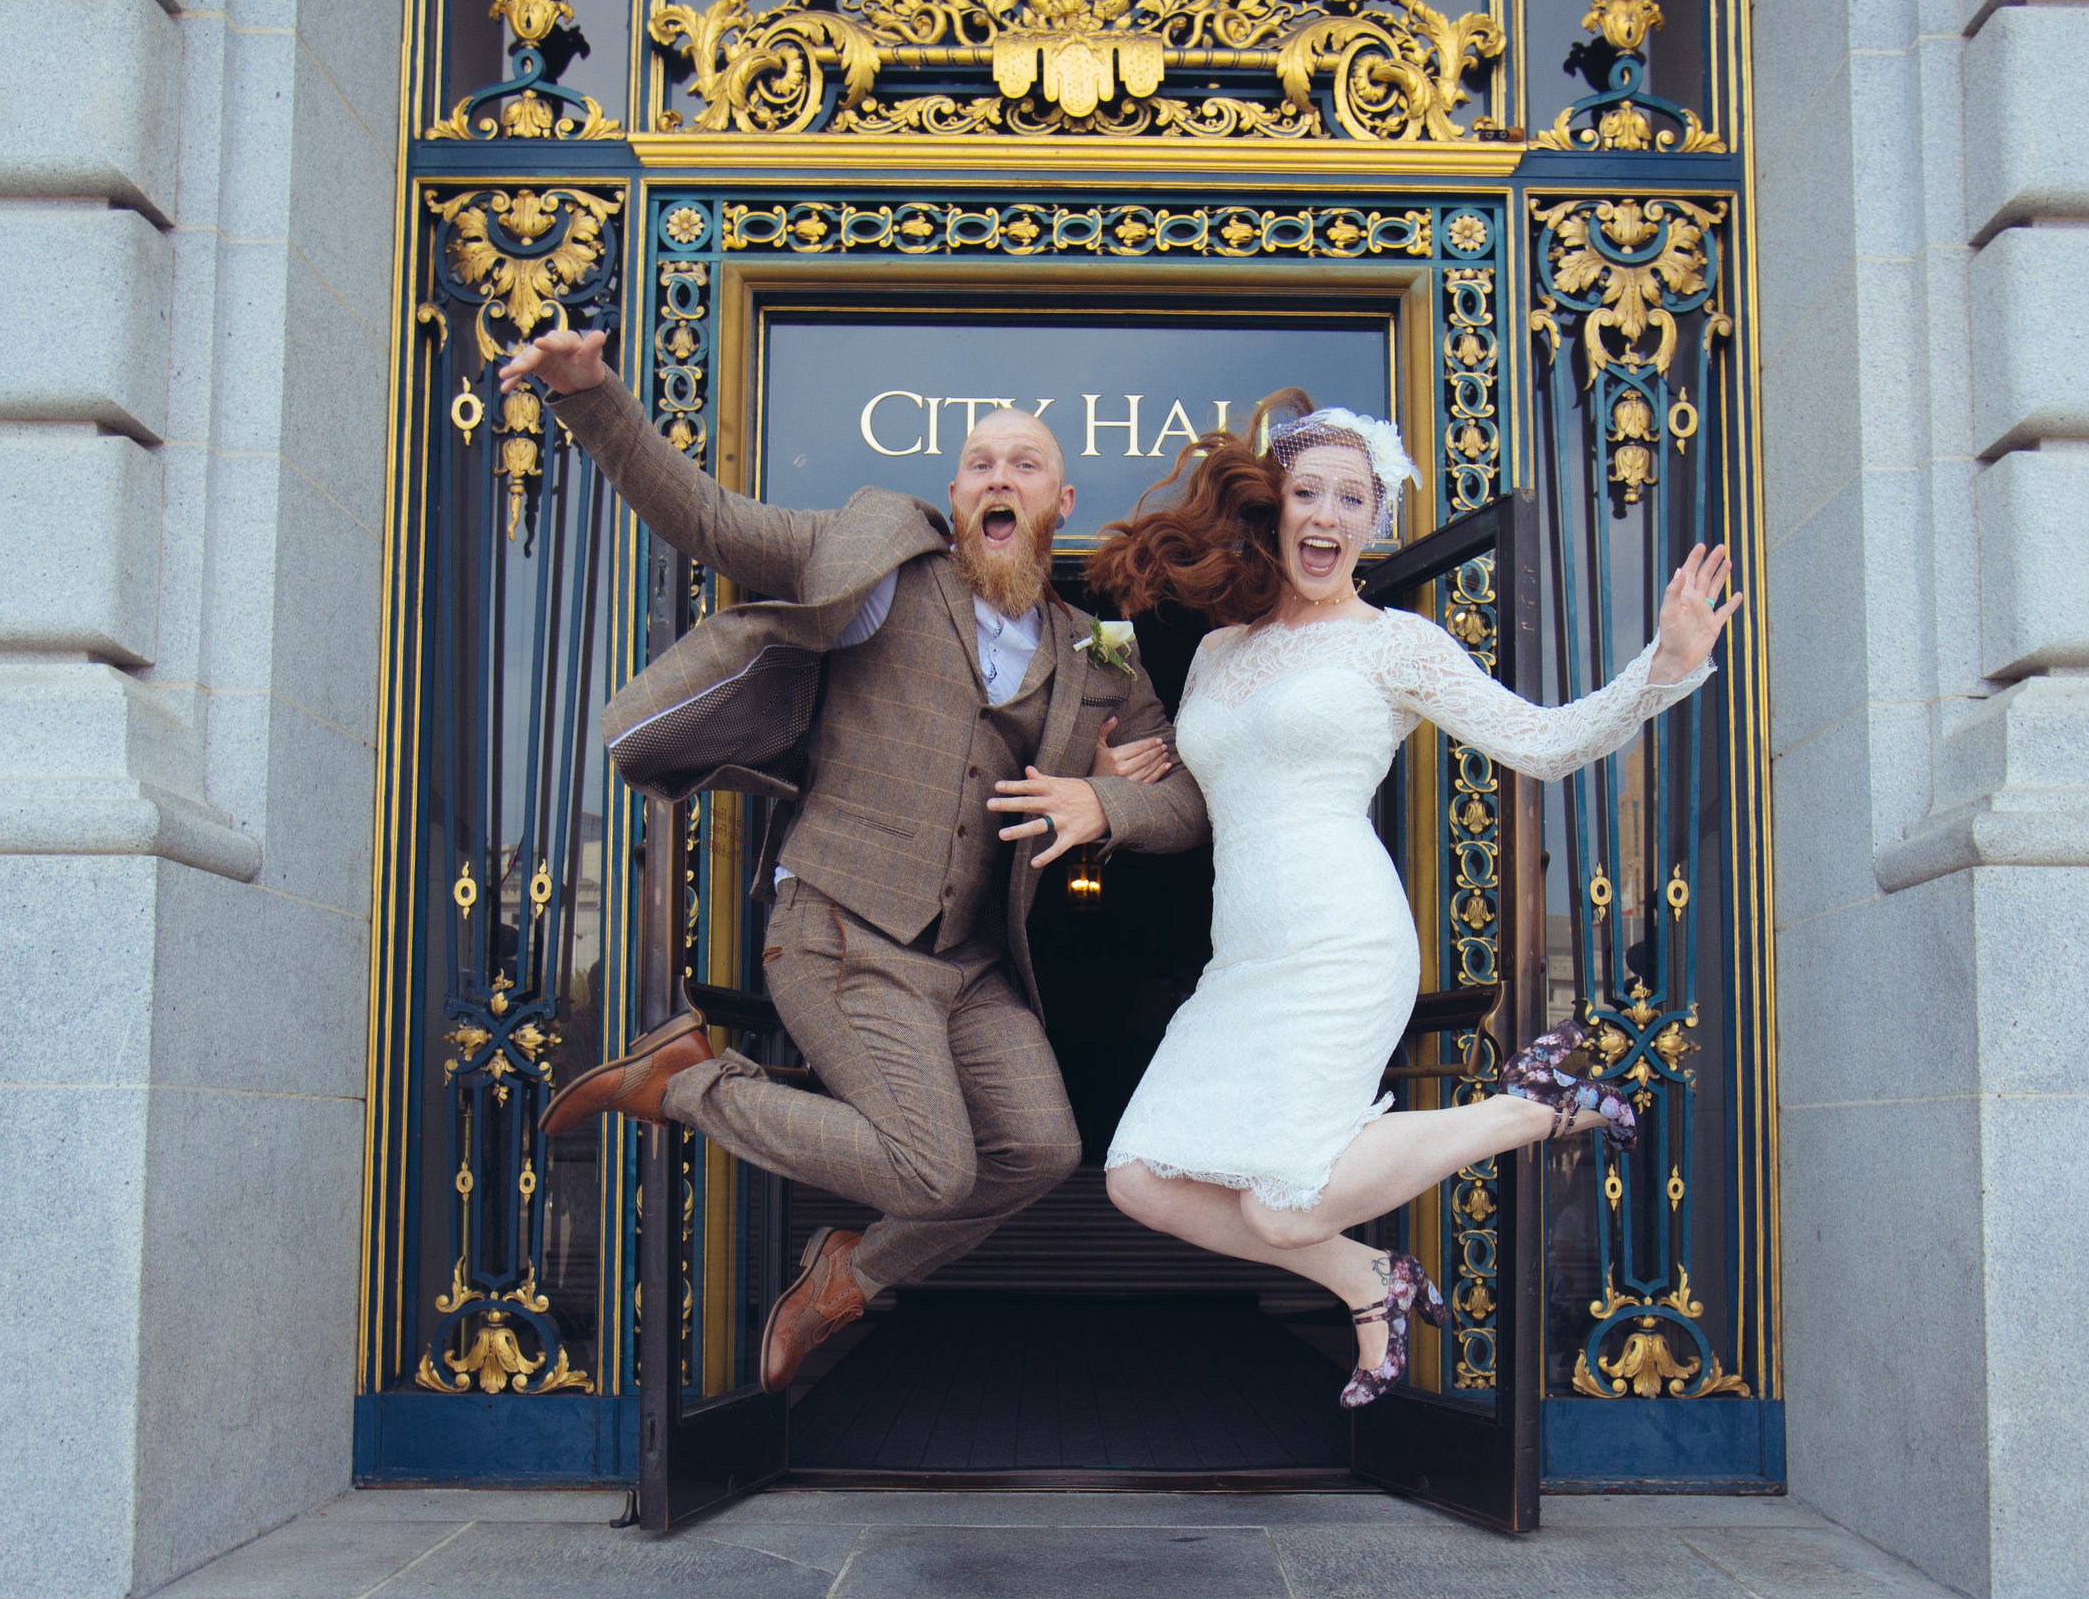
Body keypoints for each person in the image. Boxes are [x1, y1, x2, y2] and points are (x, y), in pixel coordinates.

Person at [499, 328, 1206, 1393]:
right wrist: (592, 395)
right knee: (932, 1162)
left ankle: (848, 1270)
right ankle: (691, 1083)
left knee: (1043, 1150)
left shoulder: (1097, 654)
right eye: (979, 463)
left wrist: (1100, 798)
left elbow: (1186, 805)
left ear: (1063, 505)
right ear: (956, 493)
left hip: (969, 963)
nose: (996, 477)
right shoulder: (880, 567)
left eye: (1024, 464)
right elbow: (702, 515)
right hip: (838, 922)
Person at [1088, 390, 1740, 1407]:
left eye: (1354, 498)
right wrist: (1112, 787)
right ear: (1275, 505)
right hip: (1241, 957)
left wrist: (1660, 670)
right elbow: (1207, 788)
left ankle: (1525, 1112)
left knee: (1281, 1200)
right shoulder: (1219, 650)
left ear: (1375, 522)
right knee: (1140, 1178)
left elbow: (1544, 741)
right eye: (1309, 491)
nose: (1328, 516)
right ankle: (1366, 1275)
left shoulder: (1394, 643)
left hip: (1342, 935)